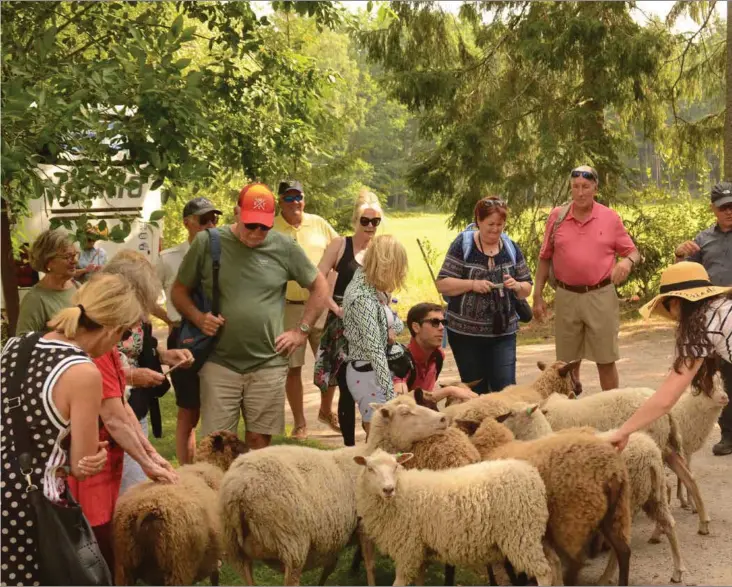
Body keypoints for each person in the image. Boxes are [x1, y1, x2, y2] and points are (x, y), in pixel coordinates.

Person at [0, 274, 142, 585]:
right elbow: (82, 467)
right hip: (33, 506)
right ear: (113, 329)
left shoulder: (15, 345)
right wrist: (93, 460)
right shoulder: (81, 371)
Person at [171, 183, 330, 450]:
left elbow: (319, 286)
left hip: (268, 363)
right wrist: (199, 318)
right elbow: (178, 292)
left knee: (259, 445)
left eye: (264, 227)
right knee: (218, 446)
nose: (257, 233)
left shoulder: (284, 246)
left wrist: (301, 331)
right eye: (251, 225)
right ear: (236, 214)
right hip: (218, 361)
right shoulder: (207, 243)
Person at [67, 254, 181, 569]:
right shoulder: (95, 350)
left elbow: (122, 408)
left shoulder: (105, 344)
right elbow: (114, 417)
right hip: (88, 473)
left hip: (97, 466)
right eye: (139, 308)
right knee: (96, 548)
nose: (138, 321)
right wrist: (150, 465)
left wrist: (151, 456)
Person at [533, 165, 641, 391]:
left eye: (585, 187)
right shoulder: (557, 217)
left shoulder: (609, 217)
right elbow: (544, 258)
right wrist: (538, 296)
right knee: (566, 364)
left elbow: (633, 252)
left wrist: (626, 262)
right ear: (570, 189)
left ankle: (612, 411)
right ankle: (570, 414)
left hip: (600, 295)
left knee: (606, 359)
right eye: (575, 187)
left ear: (595, 188)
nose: (580, 192)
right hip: (566, 296)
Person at [607, 262, 732, 455]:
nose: (672, 318)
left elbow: (666, 398)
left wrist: (623, 431)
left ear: (675, 302)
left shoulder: (704, 323)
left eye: (666, 307)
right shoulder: (722, 309)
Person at [102, 251, 193, 495]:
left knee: (134, 484)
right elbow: (92, 368)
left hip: (134, 406)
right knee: (124, 490)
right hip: (105, 415)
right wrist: (131, 376)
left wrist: (164, 355)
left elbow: (142, 344)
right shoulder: (101, 320)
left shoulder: (134, 314)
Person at [436, 196, 533, 394]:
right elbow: (443, 284)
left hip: (503, 332)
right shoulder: (462, 245)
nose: (495, 229)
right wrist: (472, 284)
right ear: (478, 221)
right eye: (490, 224)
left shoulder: (510, 247)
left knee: (505, 391)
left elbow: (527, 287)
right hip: (465, 335)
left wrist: (516, 286)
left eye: (500, 224)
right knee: (476, 392)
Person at [155, 196, 221, 464]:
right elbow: (145, 292)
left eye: (214, 219)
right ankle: (187, 471)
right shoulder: (168, 258)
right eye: (204, 220)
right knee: (188, 410)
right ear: (187, 223)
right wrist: (169, 318)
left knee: (218, 407)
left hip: (217, 336)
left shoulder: (224, 253)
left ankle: (214, 468)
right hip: (183, 336)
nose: (210, 224)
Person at [272, 180, 339, 440]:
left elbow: (338, 253)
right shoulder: (271, 227)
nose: (295, 203)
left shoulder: (319, 223)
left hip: (320, 305)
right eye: (289, 198)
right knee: (292, 367)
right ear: (280, 202)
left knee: (329, 363)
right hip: (287, 307)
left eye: (298, 197)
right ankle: (300, 423)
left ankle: (325, 410)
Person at [314, 189, 383, 435]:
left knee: (370, 385)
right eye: (365, 221)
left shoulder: (381, 249)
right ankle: (348, 446)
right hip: (341, 325)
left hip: (371, 325)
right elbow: (317, 278)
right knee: (345, 385)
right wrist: (334, 308)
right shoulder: (340, 245)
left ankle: (371, 439)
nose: (370, 226)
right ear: (356, 220)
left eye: (376, 221)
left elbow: (388, 286)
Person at [673, 181, 732, 455]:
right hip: (713, 316)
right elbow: (683, 273)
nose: (728, 212)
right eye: (723, 208)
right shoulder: (702, 240)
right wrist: (679, 254)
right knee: (716, 375)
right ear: (713, 209)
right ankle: (728, 434)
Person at [341, 234, 408, 441]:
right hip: (368, 373)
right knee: (380, 440)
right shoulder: (363, 298)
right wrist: (391, 399)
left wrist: (389, 326)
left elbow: (397, 324)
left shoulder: (373, 287)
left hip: (377, 371)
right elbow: (375, 351)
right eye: (398, 267)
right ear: (387, 264)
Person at [400, 302, 479, 402]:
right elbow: (399, 401)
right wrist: (450, 390)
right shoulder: (401, 361)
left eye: (444, 322)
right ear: (416, 327)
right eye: (435, 322)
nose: (442, 328)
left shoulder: (438, 355)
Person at [17, 229, 79, 335]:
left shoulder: (77, 287)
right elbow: (23, 343)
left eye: (75, 254)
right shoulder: (35, 299)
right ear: (48, 262)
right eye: (68, 257)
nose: (75, 260)